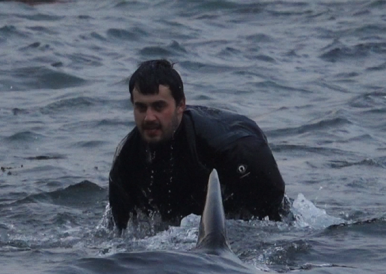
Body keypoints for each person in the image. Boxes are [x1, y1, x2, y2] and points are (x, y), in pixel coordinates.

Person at [108, 59, 288, 233]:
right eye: (141, 108)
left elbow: (274, 217)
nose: (149, 118)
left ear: (181, 105)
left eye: (158, 107)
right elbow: (120, 233)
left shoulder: (232, 148)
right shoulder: (126, 163)